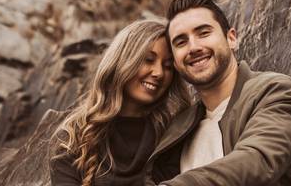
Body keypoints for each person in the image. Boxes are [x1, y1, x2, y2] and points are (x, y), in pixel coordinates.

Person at [148, 0, 291, 186]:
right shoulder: (179, 128)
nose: (193, 47)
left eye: (203, 33)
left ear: (231, 38)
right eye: (181, 42)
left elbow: (257, 161)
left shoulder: (276, 93)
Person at [51, 20, 189, 186]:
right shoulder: (74, 137)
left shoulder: (173, 133)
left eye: (168, 66)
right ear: (122, 61)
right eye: (148, 60)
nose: (159, 73)